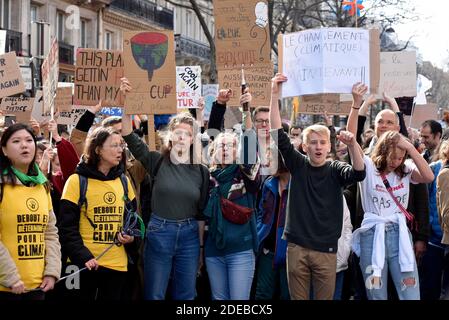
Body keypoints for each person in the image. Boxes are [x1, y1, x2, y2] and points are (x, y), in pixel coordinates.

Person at [270, 74, 366, 300]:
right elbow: (277, 133)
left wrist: (352, 145)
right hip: (297, 249)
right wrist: (274, 95)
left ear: (329, 145)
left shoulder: (335, 169)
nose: (318, 147)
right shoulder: (298, 164)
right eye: (313, 142)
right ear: (304, 146)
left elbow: (359, 173)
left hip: (326, 251)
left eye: (323, 142)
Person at [119, 78, 210, 300]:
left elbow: (200, 214)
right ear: (170, 135)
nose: (182, 137)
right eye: (178, 132)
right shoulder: (155, 160)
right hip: (160, 232)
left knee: (186, 295)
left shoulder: (201, 170)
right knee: (155, 295)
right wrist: (126, 102)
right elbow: (128, 136)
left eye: (187, 134)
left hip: (189, 236)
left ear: (192, 139)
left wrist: (199, 248)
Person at [351, 129, 434, 300]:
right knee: (376, 294)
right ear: (382, 151)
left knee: (410, 294)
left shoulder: (407, 169)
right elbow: (352, 139)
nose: (396, 162)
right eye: (392, 157)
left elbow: (429, 177)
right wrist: (356, 105)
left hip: (400, 236)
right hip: (371, 237)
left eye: (400, 158)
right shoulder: (367, 166)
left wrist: (410, 148)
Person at [59, 126, 137, 300]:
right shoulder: (76, 181)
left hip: (117, 265)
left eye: (121, 145)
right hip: (82, 264)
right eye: (114, 145)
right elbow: (66, 227)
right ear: (98, 150)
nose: (120, 150)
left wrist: (131, 237)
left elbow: (134, 221)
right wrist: (82, 256)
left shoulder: (124, 181)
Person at [0, 123, 61, 300]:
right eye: (16, 141)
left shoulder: (42, 186)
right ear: (4, 150)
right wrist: (10, 277)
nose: (24, 145)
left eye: (29, 140)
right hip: (7, 287)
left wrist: (51, 272)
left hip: (37, 287)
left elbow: (50, 233)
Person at [204, 131, 260, 300]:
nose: (226, 149)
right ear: (214, 151)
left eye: (232, 145)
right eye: (222, 145)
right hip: (213, 251)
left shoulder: (245, 175)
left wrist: (246, 113)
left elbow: (250, 145)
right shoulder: (208, 178)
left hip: (240, 251)